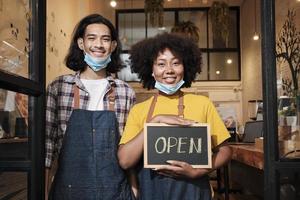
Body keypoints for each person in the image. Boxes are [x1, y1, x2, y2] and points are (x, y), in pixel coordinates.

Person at [118, 33, 232, 200]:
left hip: (194, 190)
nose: (169, 70)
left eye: (176, 63)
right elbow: (125, 161)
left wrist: (197, 172)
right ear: (151, 69)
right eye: (161, 64)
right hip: (152, 192)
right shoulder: (139, 110)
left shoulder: (202, 104)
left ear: (185, 68)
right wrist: (155, 122)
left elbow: (225, 151)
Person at [45, 14, 136, 199]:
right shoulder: (59, 87)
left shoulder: (125, 92)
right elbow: (47, 149)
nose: (99, 45)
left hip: (115, 192)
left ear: (113, 46)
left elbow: (130, 151)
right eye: (91, 38)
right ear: (81, 43)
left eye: (106, 39)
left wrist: (135, 189)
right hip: (69, 191)